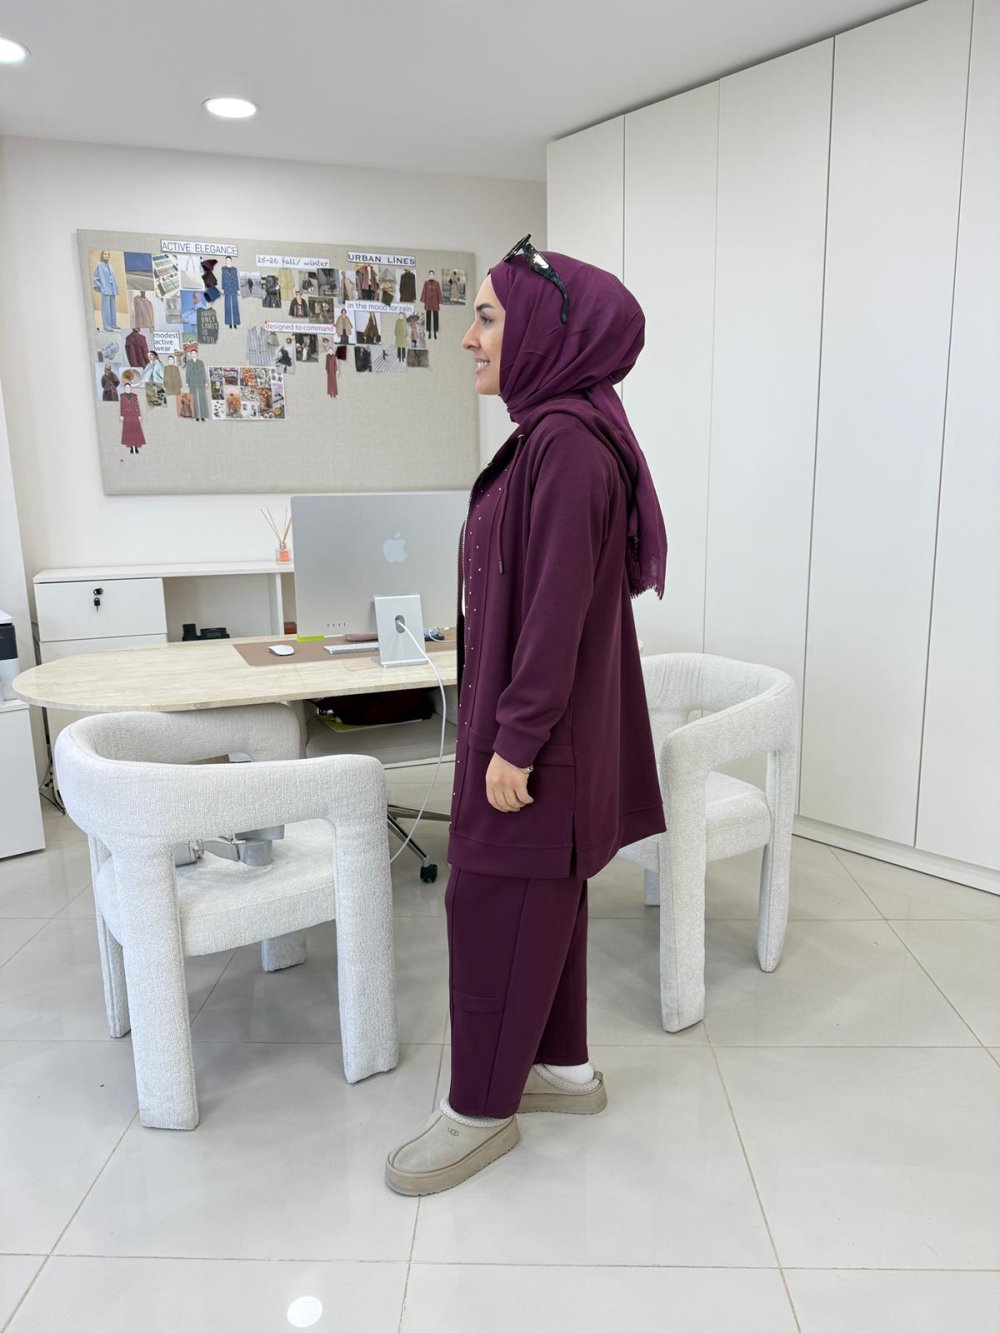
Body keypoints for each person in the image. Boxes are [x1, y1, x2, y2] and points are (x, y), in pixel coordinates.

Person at [384, 239, 669, 1198]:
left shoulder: (567, 446)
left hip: (542, 745)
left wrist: (516, 741)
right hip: (547, 735)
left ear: (547, 327)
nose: (469, 339)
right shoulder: (555, 433)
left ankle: (479, 1110)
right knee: (547, 900)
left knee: (492, 904)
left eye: (487, 317)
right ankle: (561, 1068)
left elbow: (554, 611)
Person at [93, 249, 120, 331]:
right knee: (106, 309)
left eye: (108, 254)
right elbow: (95, 278)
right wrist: (101, 287)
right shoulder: (99, 265)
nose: (107, 255)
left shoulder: (110, 266)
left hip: (112, 289)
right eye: (105, 254)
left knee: (113, 308)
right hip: (105, 289)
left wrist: (115, 287)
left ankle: (113, 324)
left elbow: (113, 277)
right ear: (102, 255)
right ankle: (107, 326)